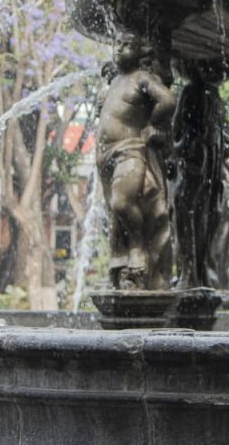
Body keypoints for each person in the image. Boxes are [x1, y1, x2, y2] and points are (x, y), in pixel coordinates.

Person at [96, 34, 175, 290]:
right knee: (114, 210)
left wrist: (151, 125)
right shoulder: (114, 81)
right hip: (105, 153)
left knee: (122, 202)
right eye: (116, 44)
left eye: (127, 45)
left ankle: (138, 248)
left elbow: (167, 100)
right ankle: (119, 261)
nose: (119, 49)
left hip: (130, 148)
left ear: (140, 52)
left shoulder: (142, 78)